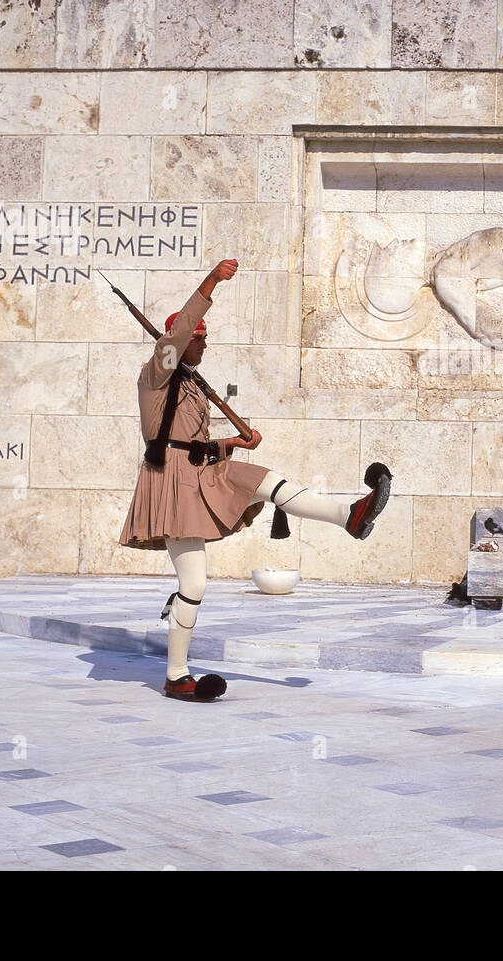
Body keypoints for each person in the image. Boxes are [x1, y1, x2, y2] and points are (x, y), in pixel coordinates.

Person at [119, 259, 391, 701]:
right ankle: (176, 675)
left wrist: (233, 443)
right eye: (198, 338)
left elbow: (193, 443)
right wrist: (211, 282)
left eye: (206, 339)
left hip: (201, 473)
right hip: (171, 486)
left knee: (269, 480)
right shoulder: (158, 374)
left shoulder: (189, 385)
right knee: (194, 585)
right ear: (181, 342)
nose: (203, 345)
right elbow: (180, 336)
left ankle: (350, 515)